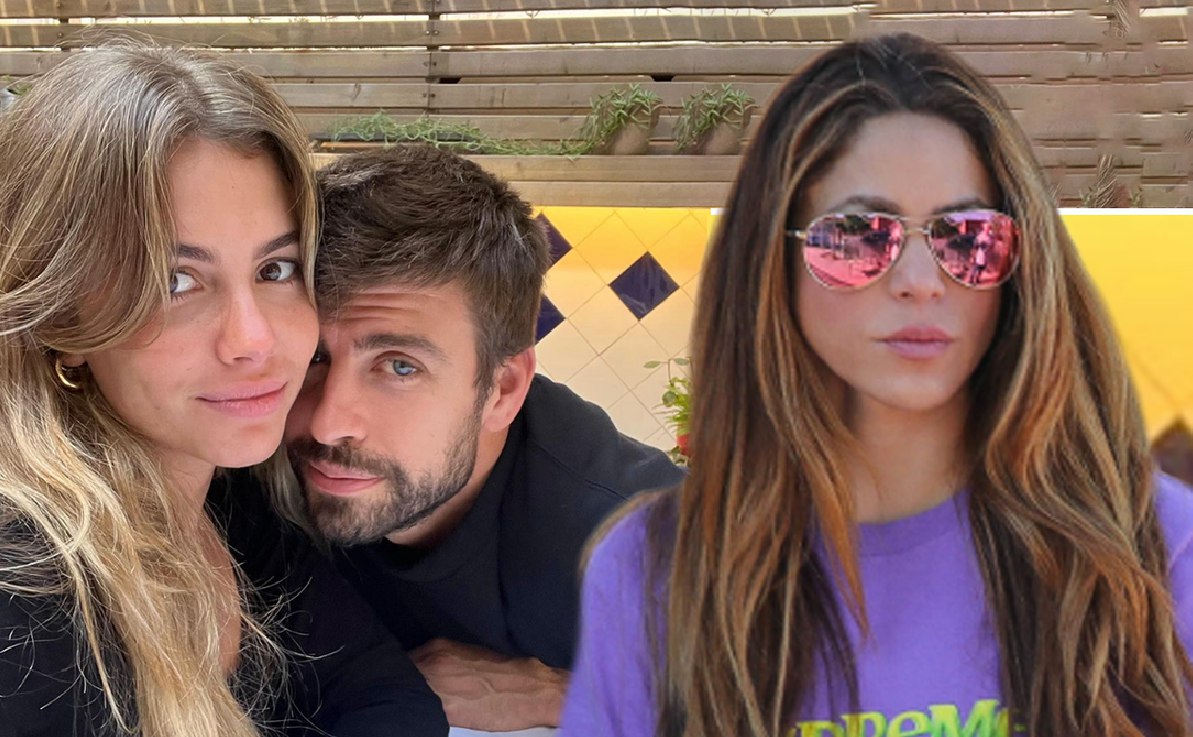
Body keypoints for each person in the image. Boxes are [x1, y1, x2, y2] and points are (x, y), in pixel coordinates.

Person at [561, 33, 1193, 737]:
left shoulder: (1155, 549)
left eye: (966, 236)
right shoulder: (653, 573)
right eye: (858, 235)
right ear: (773, 261)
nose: (921, 282)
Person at [0, 43, 446, 736]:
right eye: (176, 281)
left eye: (275, 269)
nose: (254, 340)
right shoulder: (26, 586)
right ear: (64, 320)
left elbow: (390, 699)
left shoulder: (228, 501)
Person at [261, 144, 685, 731]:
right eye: (313, 356)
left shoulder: (643, 540)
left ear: (502, 389)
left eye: (400, 366)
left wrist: (564, 693)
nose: (327, 423)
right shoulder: (255, 465)